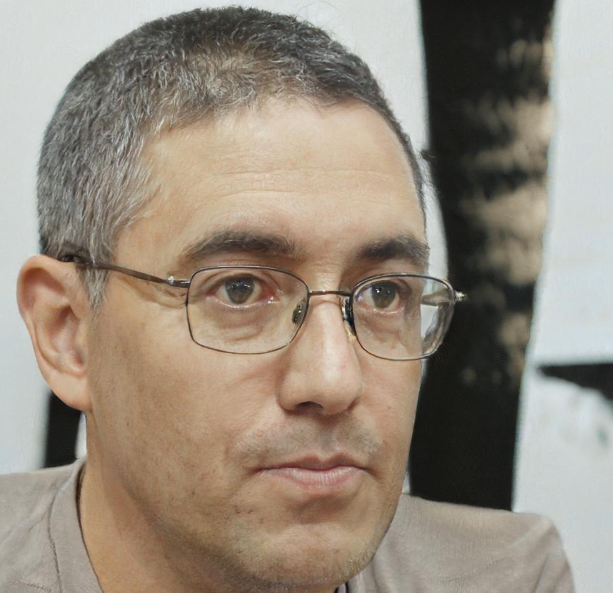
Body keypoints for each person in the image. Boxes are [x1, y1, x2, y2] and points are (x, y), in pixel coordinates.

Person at [1, 7, 573, 593]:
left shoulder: (503, 576)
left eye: (383, 294)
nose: (333, 379)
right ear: (68, 333)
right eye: (240, 290)